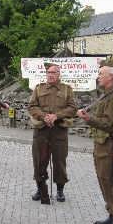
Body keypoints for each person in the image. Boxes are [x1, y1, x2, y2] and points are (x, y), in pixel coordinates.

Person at [77, 63, 113, 224]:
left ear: (111, 77)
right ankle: (112, 214)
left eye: (101, 74)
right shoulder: (107, 95)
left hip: (111, 147)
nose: (98, 76)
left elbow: (110, 125)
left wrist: (88, 119)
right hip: (102, 145)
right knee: (104, 181)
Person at [28, 63, 77, 204]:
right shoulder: (38, 88)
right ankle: (40, 189)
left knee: (59, 162)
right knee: (39, 161)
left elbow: (73, 108)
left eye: (53, 72)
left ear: (59, 74)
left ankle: (60, 191)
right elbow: (32, 106)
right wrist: (44, 116)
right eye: (48, 72)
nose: (50, 75)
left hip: (59, 132)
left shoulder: (67, 90)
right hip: (41, 131)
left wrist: (56, 116)